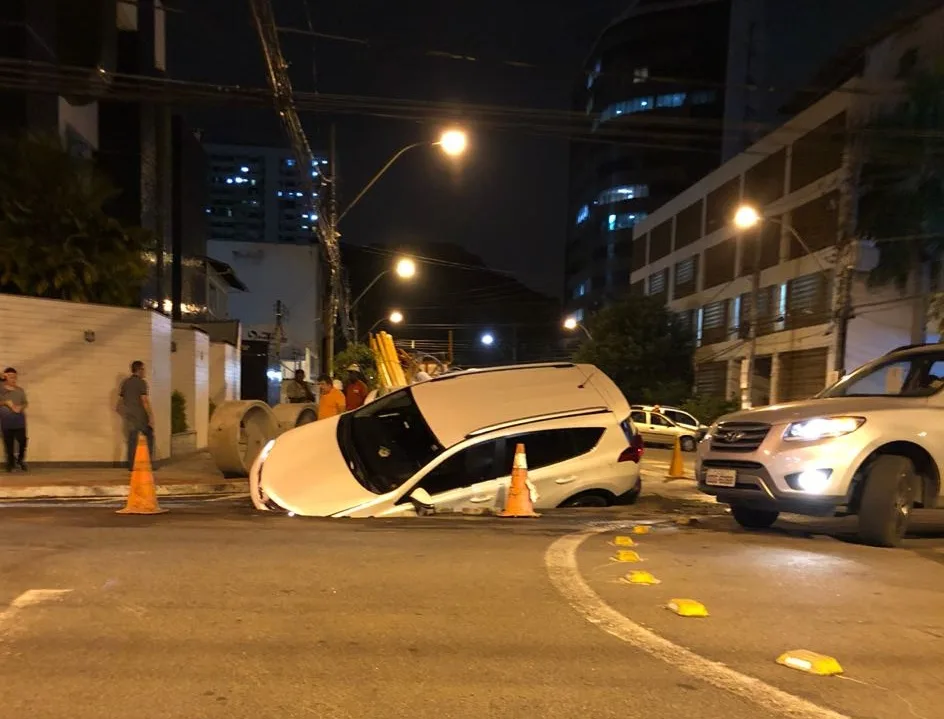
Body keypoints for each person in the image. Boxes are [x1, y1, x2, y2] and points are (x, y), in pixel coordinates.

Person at [117, 360, 155, 469]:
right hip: (141, 417)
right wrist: (151, 416)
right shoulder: (142, 383)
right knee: (149, 437)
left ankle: (132, 466)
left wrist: (127, 413)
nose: (145, 372)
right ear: (139, 370)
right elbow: (144, 400)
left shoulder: (126, 383)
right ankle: (148, 464)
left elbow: (119, 404)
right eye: (143, 369)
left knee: (132, 441)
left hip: (130, 417)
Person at [0, 368, 28, 472]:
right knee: (9, 443)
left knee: (22, 441)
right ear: (6, 377)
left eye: (15, 377)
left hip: (19, 420)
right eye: (11, 376)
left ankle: (20, 461)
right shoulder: (1, 389)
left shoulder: (20, 390)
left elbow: (25, 402)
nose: (13, 379)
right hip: (6, 420)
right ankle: (10, 463)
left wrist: (21, 407)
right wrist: (6, 403)